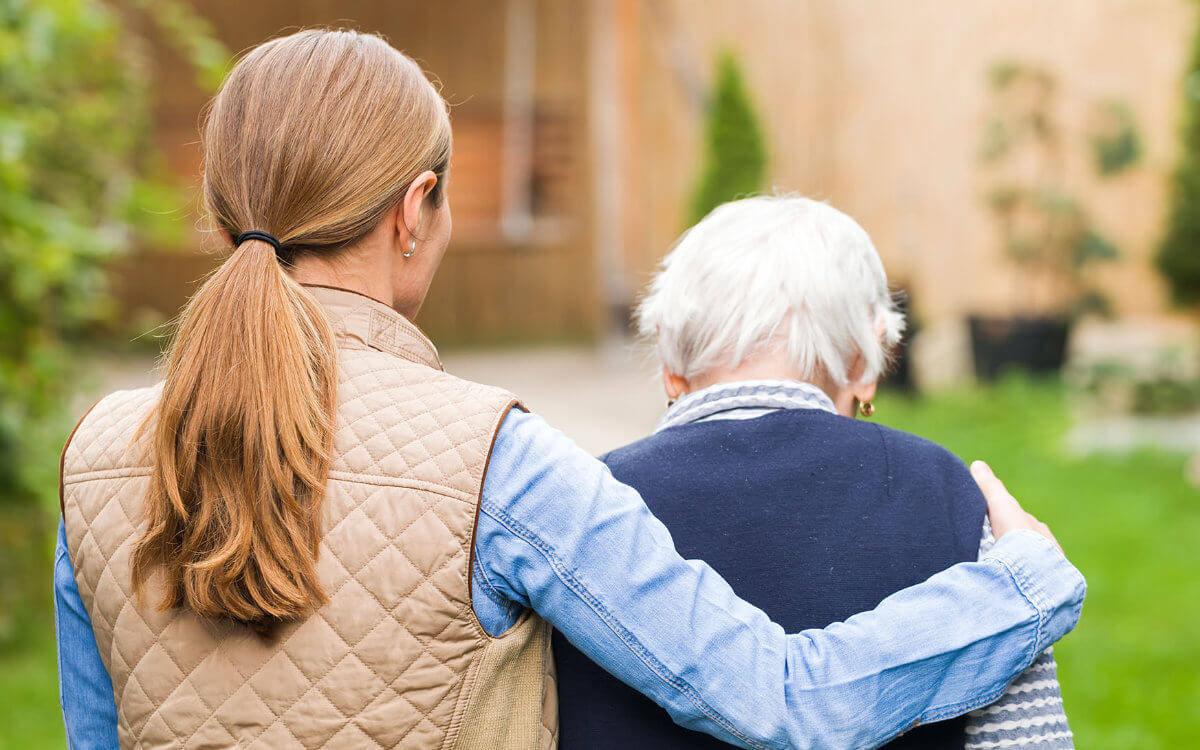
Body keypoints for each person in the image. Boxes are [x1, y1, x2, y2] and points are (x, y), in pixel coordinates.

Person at [55, 30, 1084, 749]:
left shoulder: (93, 456)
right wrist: (1021, 585)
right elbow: (780, 700)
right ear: (418, 210)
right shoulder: (493, 459)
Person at [554, 195, 1076, 749]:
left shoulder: (583, 507)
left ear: (669, 363)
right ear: (865, 361)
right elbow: (1026, 737)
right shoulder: (951, 494)